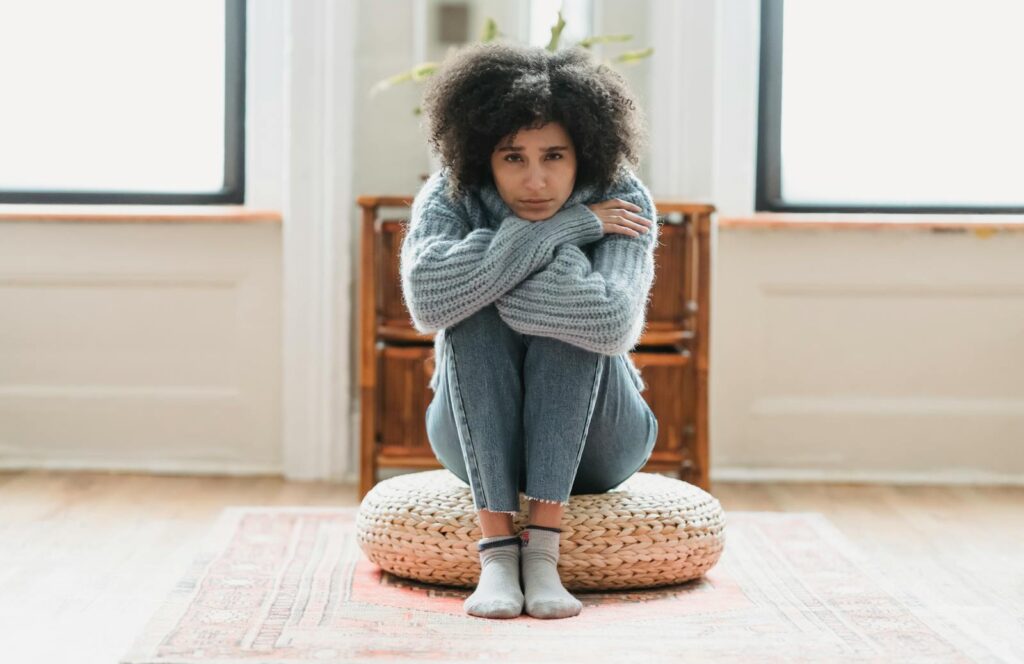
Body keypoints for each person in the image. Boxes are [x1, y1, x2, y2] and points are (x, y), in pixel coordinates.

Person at [399, 41, 660, 620]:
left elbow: (611, 321)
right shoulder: (451, 194)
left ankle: (541, 552)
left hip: (606, 441)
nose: (536, 180)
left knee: (566, 318)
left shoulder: (622, 196)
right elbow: (427, 299)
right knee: (470, 310)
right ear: (481, 156)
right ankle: (497, 553)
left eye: (555, 156)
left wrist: (494, 273)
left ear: (585, 153)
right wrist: (561, 232)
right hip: (471, 441)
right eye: (513, 157)